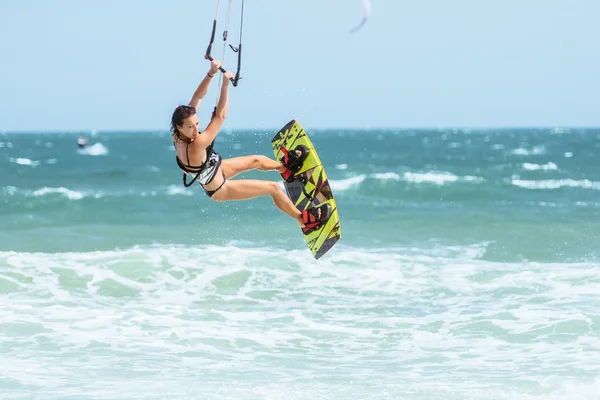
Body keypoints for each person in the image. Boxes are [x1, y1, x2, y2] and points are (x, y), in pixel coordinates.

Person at [170, 59, 330, 233]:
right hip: (219, 188)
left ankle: (284, 167)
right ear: (180, 127)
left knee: (257, 160)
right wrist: (225, 85)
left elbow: (198, 97)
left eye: (197, 124)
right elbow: (220, 117)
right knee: (273, 188)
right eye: (190, 127)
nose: (196, 129)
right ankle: (303, 221)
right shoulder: (196, 145)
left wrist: (211, 73)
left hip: (216, 168)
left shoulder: (178, 131)